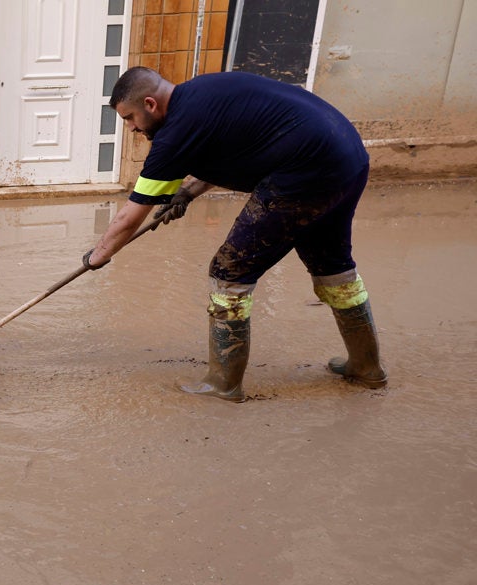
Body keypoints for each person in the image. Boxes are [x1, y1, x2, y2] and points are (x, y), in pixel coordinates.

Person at [84, 66, 387, 402]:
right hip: (347, 157)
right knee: (332, 266)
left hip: (306, 172)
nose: (130, 128)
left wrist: (98, 256)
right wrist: (188, 192)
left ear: (151, 104)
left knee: (229, 273)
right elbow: (237, 144)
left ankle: (223, 382)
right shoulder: (203, 93)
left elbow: (130, 216)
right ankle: (366, 367)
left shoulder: (174, 133)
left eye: (130, 118)